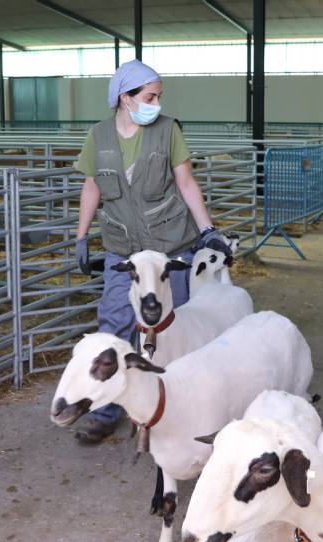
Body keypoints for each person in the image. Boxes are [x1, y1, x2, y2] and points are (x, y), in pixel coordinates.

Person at [71, 60, 231, 444]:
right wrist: (80, 237)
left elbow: (187, 183)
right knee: (114, 324)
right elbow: (92, 188)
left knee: (173, 330)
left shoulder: (167, 131)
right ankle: (107, 409)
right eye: (149, 96)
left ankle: (176, 408)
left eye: (158, 96)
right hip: (123, 251)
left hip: (169, 247)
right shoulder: (98, 136)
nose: (156, 103)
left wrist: (208, 229)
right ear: (125, 98)